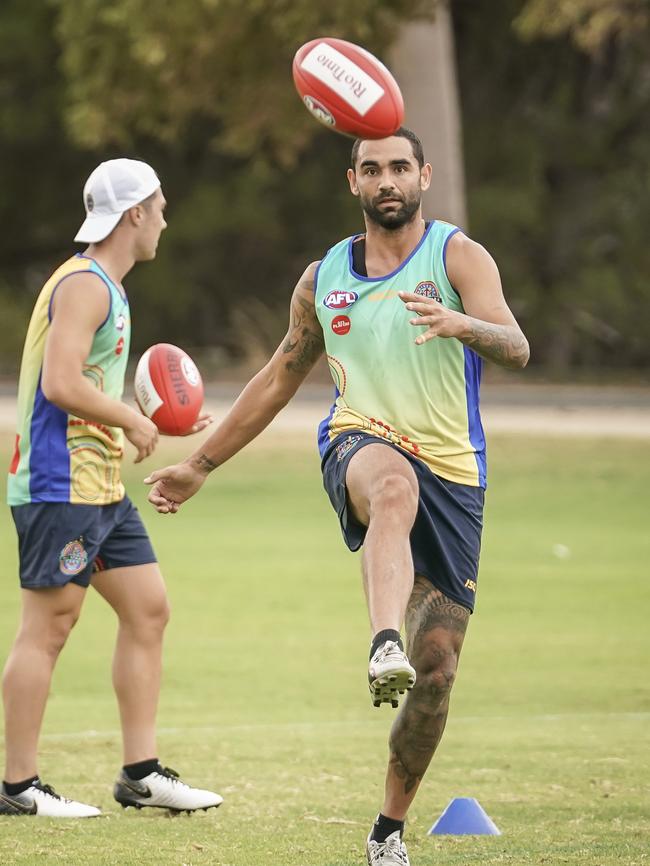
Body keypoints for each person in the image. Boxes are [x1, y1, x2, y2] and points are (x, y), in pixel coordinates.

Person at [145, 128, 529, 865]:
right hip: (361, 442)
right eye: (371, 169)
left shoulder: (458, 257)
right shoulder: (324, 278)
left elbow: (517, 345)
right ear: (351, 182)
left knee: (440, 671)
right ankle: (384, 640)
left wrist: (463, 323)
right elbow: (280, 376)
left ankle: (388, 829)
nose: (387, 180)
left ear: (424, 175)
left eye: (398, 168)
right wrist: (200, 463)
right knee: (390, 484)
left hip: (457, 476)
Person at [2, 159, 223, 818]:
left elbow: (84, 387)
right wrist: (131, 417)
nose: (163, 218)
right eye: (158, 206)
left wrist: (151, 417)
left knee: (148, 608)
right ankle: (17, 787)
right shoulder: (86, 285)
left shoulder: (107, 287)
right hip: (57, 483)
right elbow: (60, 385)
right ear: (134, 215)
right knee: (48, 628)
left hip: (97, 485)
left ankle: (140, 774)